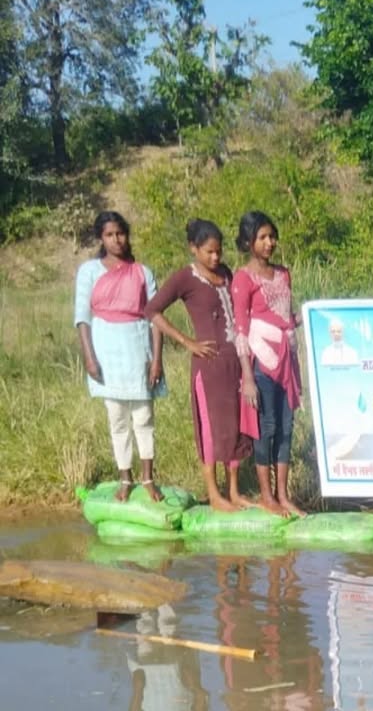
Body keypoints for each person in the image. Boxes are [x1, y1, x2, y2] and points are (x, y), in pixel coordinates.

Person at [145, 219, 255, 512]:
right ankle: (214, 493)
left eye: (219, 251)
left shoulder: (227, 274)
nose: (215, 257)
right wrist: (188, 342)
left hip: (235, 364)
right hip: (209, 368)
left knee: (235, 427)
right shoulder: (185, 278)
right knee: (210, 428)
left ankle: (234, 491)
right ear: (193, 248)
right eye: (209, 252)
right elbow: (152, 310)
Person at [75, 211, 165, 502]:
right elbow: (82, 318)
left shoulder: (142, 272)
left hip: (138, 350)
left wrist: (156, 360)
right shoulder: (89, 271)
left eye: (120, 233)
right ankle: (125, 478)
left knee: (144, 416)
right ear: (101, 238)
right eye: (109, 235)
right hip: (106, 353)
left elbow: (156, 319)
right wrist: (89, 357)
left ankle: (148, 478)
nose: (116, 240)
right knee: (117, 418)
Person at [231, 210, 305, 517]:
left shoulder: (283, 274)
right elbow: (240, 330)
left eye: (272, 236)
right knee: (267, 426)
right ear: (249, 241)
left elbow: (287, 318)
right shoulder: (243, 279)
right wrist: (247, 376)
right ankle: (266, 496)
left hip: (287, 361)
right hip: (262, 364)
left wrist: (311, 315)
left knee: (286, 427)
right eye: (262, 237)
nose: (269, 242)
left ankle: (283, 496)